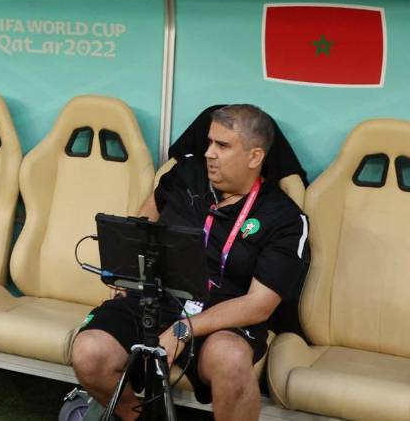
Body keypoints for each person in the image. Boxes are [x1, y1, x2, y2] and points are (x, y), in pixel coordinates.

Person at [72, 105, 310, 419]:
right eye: (209, 142)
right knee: (88, 352)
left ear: (255, 156)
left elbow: (259, 305)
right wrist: (128, 274)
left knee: (230, 360)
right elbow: (145, 218)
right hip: (154, 300)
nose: (209, 153)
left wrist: (183, 329)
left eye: (222, 146)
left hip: (222, 318)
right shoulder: (186, 175)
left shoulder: (284, 217)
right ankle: (139, 418)